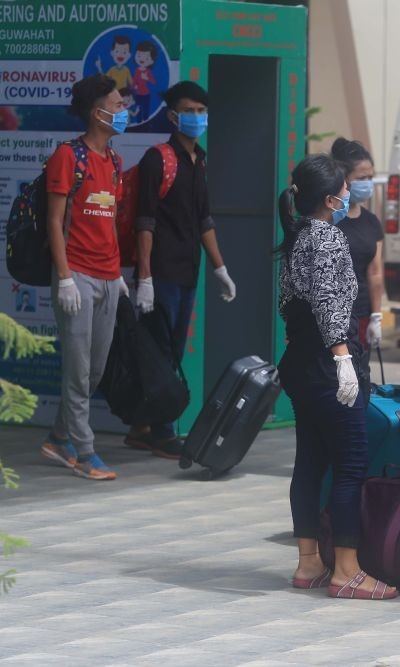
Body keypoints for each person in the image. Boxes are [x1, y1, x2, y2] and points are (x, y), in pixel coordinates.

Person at [277, 154, 396, 600]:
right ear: (330, 199)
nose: (351, 194)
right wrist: (343, 357)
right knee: (349, 465)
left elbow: (293, 303)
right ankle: (347, 570)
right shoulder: (327, 237)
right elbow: (329, 301)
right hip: (329, 364)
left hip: (301, 363)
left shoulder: (298, 234)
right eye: (346, 188)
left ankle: (309, 563)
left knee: (309, 460)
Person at [126, 81, 235, 458]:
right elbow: (145, 221)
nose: (198, 117)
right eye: (190, 111)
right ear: (173, 116)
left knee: (169, 350)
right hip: (160, 275)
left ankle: (143, 425)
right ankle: (162, 431)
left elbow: (204, 219)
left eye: (202, 111)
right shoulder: (158, 159)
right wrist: (145, 278)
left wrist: (220, 269)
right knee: (161, 351)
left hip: (188, 273)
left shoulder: (199, 159)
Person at [39, 74, 130, 481]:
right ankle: (85, 453)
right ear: (98, 112)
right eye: (118, 104)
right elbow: (54, 222)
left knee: (94, 371)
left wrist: (120, 273)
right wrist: (65, 278)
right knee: (77, 371)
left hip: (109, 276)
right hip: (77, 274)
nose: (124, 110)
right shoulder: (67, 157)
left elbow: (108, 221)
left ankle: (58, 437)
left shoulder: (113, 160)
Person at [330, 138, 385, 359]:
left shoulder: (372, 222)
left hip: (361, 315)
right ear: (344, 180)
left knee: (360, 377)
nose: (368, 183)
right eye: (362, 178)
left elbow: (375, 271)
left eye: (371, 177)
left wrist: (376, 316)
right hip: (333, 316)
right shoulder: (328, 219)